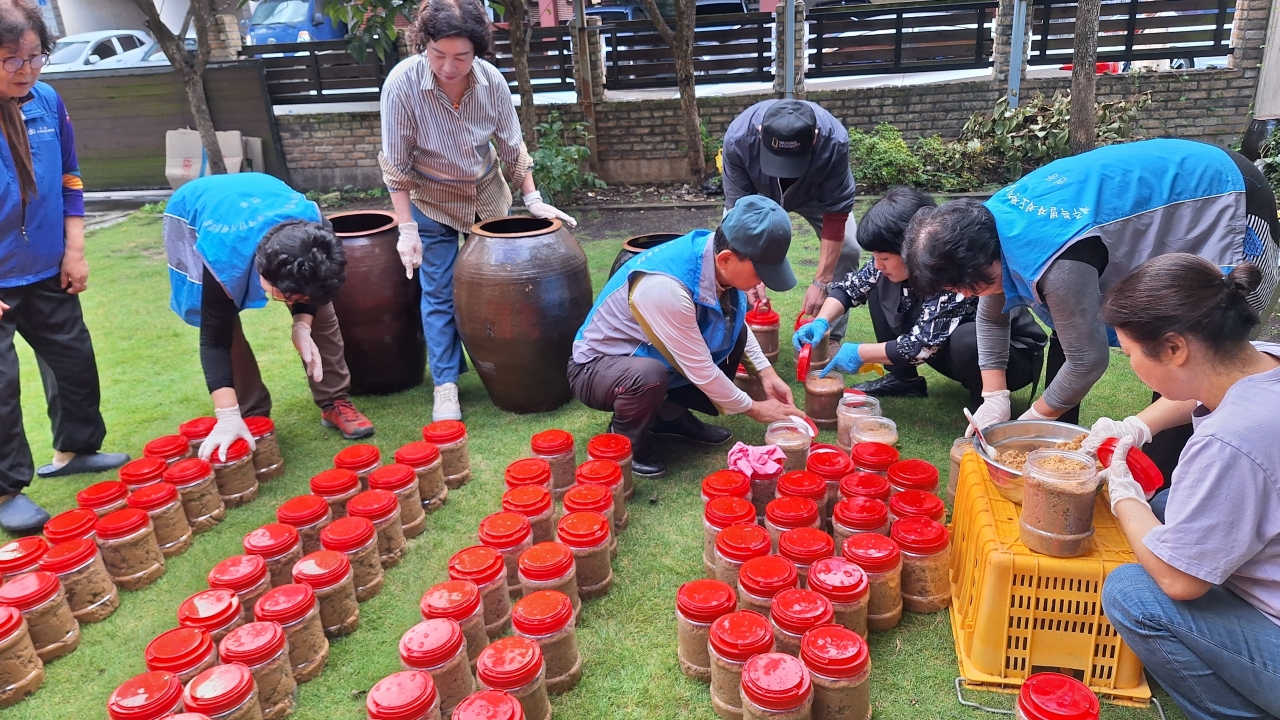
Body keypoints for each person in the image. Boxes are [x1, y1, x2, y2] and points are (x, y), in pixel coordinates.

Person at [904, 138, 1279, 471]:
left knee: (1205, 351)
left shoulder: (1058, 263)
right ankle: (1150, 444)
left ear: (984, 259)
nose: (968, 296)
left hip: (1223, 193)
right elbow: (993, 311)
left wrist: (1028, 424)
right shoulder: (986, 227)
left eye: (969, 286)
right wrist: (995, 397)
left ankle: (1177, 472)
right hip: (1171, 179)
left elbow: (1088, 359)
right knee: (1158, 348)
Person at [1092, 255, 1280, 720]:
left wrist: (1123, 493)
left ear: (1174, 348)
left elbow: (1180, 582)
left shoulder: (1230, 440)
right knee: (1174, 504)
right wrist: (1135, 426)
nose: (1129, 361)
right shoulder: (1260, 357)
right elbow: (1200, 391)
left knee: (1135, 591)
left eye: (1129, 351)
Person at [380, 0, 576, 423]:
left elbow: (510, 144)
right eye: (438, 55)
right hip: (430, 199)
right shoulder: (401, 85)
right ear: (423, 44)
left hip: (486, 197)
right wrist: (406, 228)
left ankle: (503, 369)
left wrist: (534, 197)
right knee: (438, 291)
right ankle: (446, 384)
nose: (449, 67)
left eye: (461, 57)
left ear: (478, 51)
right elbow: (396, 163)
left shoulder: (491, 83)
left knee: (496, 291)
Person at [0, 0, 129, 533]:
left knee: (74, 360)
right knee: (1, 386)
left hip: (47, 266)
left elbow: (70, 177)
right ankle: (7, 491)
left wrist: (74, 249)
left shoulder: (47, 102)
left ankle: (75, 448)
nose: (28, 70)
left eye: (37, 57)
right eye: (12, 60)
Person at [568, 196, 806, 479]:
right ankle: (625, 442)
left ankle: (669, 416)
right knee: (649, 375)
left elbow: (736, 325)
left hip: (651, 352)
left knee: (734, 334)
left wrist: (766, 374)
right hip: (596, 368)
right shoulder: (666, 287)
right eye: (761, 271)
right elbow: (701, 369)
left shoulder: (717, 258)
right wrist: (754, 408)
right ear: (726, 259)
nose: (762, 282)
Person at [163, 173, 375, 461]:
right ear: (261, 270)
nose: (289, 302)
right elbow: (214, 341)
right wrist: (225, 415)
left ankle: (335, 401)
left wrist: (303, 323)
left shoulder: (320, 236)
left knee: (321, 314)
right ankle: (249, 416)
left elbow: (317, 294)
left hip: (260, 195)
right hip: (195, 212)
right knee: (222, 323)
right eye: (285, 295)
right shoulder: (221, 258)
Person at [793, 186, 1046, 402]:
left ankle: (988, 404)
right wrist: (822, 321)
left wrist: (859, 352)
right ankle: (904, 381)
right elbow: (852, 287)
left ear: (912, 248)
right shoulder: (888, 264)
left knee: (968, 339)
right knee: (877, 282)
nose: (877, 263)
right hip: (943, 348)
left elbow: (919, 346)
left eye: (884, 257)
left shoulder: (952, 271)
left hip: (1010, 357)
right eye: (875, 257)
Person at [720, 99, 860, 349]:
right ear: (761, 132)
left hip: (815, 195)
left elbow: (837, 213)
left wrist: (822, 282)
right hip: (758, 197)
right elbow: (741, 216)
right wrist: (751, 275)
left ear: (815, 137)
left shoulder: (835, 142)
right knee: (728, 256)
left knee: (849, 247)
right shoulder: (738, 139)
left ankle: (831, 335)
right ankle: (734, 333)